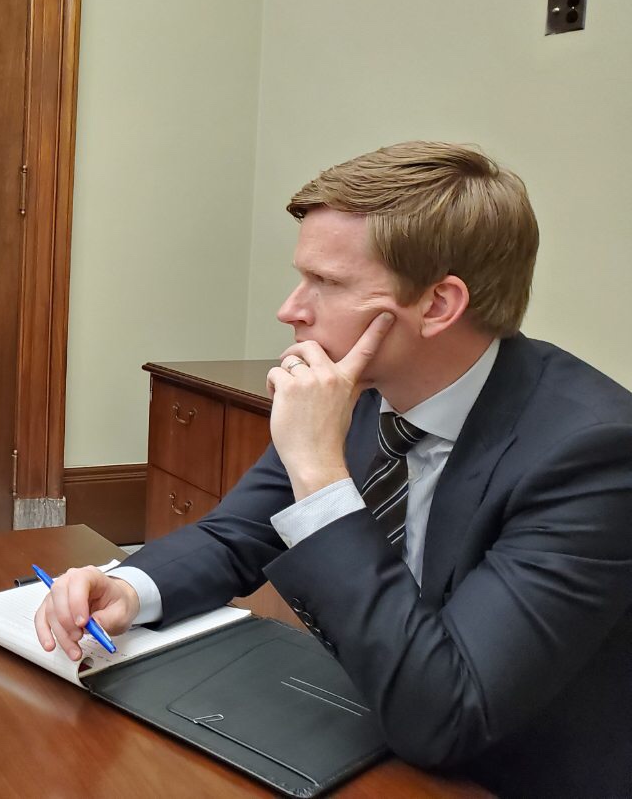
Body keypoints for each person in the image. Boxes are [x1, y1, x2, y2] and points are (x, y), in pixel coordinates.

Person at [35, 143, 632, 797]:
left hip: (505, 769)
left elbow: (448, 711)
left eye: (327, 282)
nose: (290, 308)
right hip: (373, 727)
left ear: (437, 304)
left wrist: (319, 470)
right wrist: (130, 589)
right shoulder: (363, 390)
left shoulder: (591, 452)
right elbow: (236, 534)